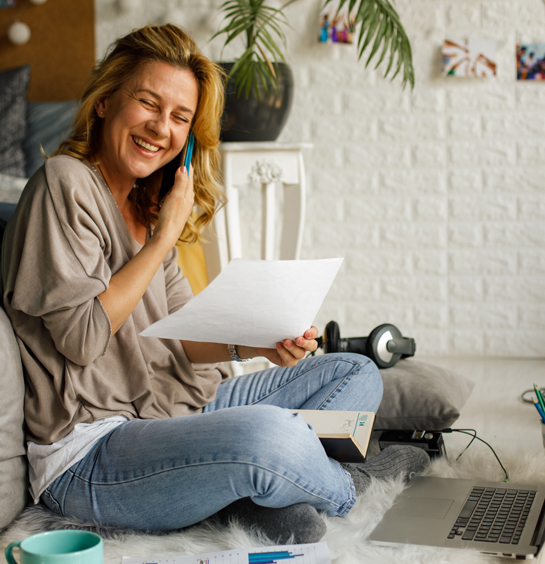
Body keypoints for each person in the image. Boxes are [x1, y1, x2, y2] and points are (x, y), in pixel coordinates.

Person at [1, 24, 428, 543]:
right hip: (91, 454)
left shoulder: (143, 203)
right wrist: (162, 240)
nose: (161, 127)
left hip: (177, 413)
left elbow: (181, 338)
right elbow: (82, 337)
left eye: (180, 117)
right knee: (269, 437)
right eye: (148, 103)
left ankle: (244, 494)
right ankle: (347, 486)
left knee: (355, 373)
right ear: (105, 102)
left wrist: (263, 346)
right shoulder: (63, 184)